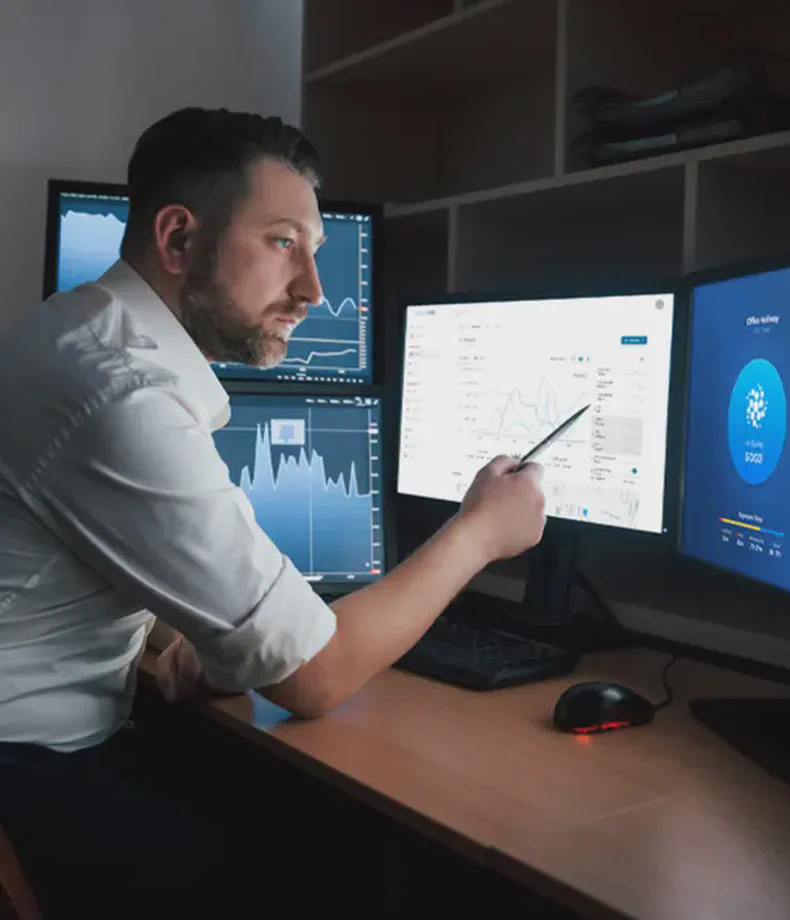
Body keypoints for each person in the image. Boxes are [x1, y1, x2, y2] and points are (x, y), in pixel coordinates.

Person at [0, 107, 546, 916]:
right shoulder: (123, 394)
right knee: (380, 866)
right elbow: (314, 676)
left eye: (315, 253)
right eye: (283, 243)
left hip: (52, 744)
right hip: (32, 771)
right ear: (179, 240)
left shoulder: (71, 329)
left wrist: (162, 630)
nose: (314, 292)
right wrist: (478, 533)